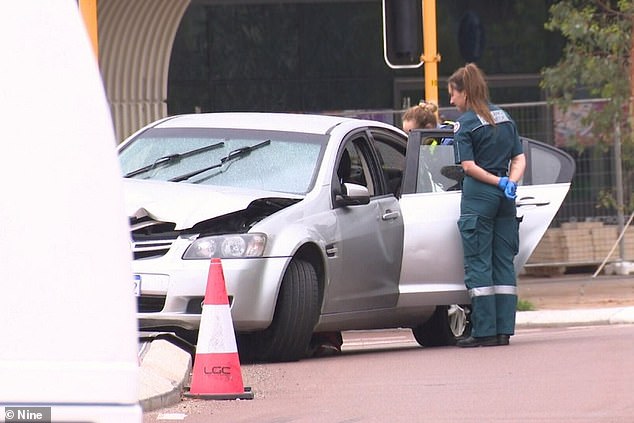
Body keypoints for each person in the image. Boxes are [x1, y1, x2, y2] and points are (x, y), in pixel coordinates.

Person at [448, 63, 526, 347]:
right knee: (503, 262)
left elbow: (468, 166)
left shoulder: (466, 123)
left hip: (480, 196)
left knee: (479, 263)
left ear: (465, 92)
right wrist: (509, 182)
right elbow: (519, 158)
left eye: (453, 94)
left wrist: (494, 182)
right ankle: (504, 331)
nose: (451, 100)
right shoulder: (505, 117)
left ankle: (483, 332)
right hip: (506, 198)